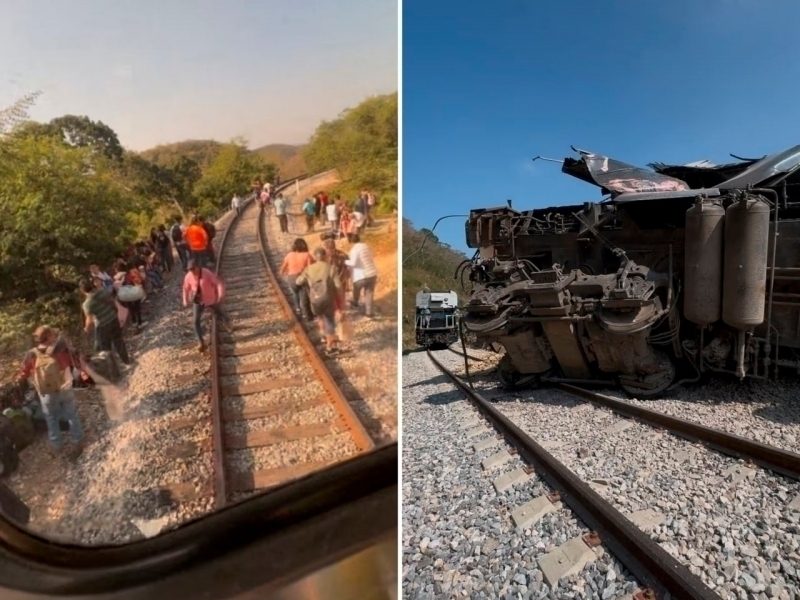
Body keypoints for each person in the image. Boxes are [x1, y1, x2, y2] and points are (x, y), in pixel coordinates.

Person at [17, 326, 84, 458]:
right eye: (52, 334)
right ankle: (77, 441)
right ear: (49, 336)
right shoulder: (62, 348)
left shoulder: (31, 354)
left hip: (46, 392)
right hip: (65, 387)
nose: (54, 335)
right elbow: (77, 363)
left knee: (51, 419)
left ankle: (56, 446)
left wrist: (21, 380)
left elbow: (23, 373)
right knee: (72, 415)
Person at [296, 247, 342, 354]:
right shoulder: (331, 268)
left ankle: (323, 336)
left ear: (314, 257)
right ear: (325, 256)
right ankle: (330, 347)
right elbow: (338, 286)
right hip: (328, 298)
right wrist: (340, 299)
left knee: (320, 316)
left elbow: (298, 282)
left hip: (315, 299)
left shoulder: (308, 269)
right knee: (329, 320)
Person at [182, 259, 232, 353]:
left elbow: (218, 283)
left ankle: (228, 323)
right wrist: (185, 300)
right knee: (195, 321)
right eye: (190, 269)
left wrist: (220, 293)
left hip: (209, 299)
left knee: (219, 312)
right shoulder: (188, 276)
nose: (192, 271)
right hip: (198, 301)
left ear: (198, 267)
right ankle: (201, 342)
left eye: (193, 269)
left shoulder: (206, 273)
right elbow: (185, 288)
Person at [80, 277, 132, 368]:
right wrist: (115, 313)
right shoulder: (103, 292)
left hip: (102, 325)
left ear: (82, 290)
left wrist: (86, 329)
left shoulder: (87, 304)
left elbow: (89, 320)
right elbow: (113, 303)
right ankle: (126, 361)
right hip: (113, 318)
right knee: (119, 341)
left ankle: (114, 368)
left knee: (106, 348)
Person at [279, 238, 314, 320]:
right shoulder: (307, 255)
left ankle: (297, 309)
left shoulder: (289, 255)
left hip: (291, 278)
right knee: (304, 296)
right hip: (302, 277)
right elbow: (310, 269)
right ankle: (305, 314)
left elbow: (282, 269)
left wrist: (285, 276)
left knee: (295, 293)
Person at [346, 233, 378, 319]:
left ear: (350, 241)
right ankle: (369, 313)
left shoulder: (354, 249)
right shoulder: (366, 246)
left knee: (356, 289)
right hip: (372, 273)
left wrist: (345, 262)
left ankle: (355, 302)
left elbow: (353, 263)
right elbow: (371, 257)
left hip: (361, 275)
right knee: (369, 293)